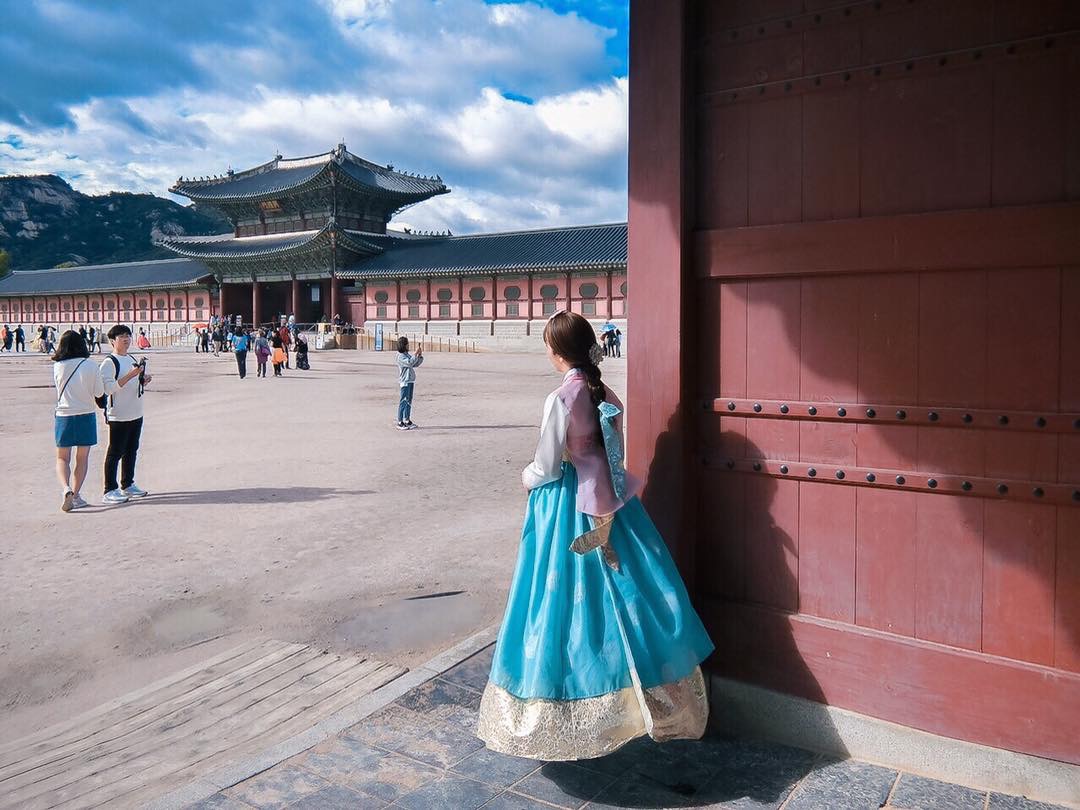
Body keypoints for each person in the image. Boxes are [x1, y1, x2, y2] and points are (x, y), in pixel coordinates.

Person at [476, 311, 713, 760]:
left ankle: (565, 709)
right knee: (630, 590)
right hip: (612, 498)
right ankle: (654, 697)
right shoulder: (606, 393)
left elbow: (546, 465)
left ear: (556, 351)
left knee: (556, 599)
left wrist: (525, 478)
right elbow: (610, 449)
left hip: (567, 502)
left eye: (548, 344)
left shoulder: (560, 399)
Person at [52, 329, 105, 512]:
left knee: (62, 457)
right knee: (82, 459)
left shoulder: (58, 365)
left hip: (63, 415)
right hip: (85, 414)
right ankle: (76, 495)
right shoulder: (91, 365)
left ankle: (66, 489)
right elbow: (99, 392)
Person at [100, 325, 153, 504]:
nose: (126, 339)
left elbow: (133, 382)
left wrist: (142, 380)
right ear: (112, 341)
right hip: (118, 415)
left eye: (128, 336)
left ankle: (127, 484)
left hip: (135, 412)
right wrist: (132, 375)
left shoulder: (130, 358)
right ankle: (109, 489)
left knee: (132, 450)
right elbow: (108, 388)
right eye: (122, 336)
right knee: (115, 452)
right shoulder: (109, 362)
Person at [395, 336, 423, 429]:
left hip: (410, 380)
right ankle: (400, 421)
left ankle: (407, 419)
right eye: (407, 344)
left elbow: (415, 364)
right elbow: (409, 362)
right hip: (405, 381)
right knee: (403, 400)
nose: (408, 345)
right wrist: (415, 354)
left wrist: (419, 356)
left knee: (409, 401)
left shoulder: (407, 354)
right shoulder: (400, 356)